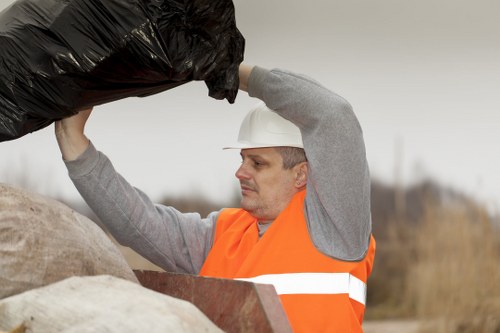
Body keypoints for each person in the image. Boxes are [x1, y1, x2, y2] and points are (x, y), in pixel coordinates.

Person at [55, 63, 376, 332]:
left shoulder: (336, 229)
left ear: (301, 174)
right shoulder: (222, 234)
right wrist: (75, 146)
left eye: (258, 163)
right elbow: (138, 223)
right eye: (242, 160)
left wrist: (229, 67)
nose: (241, 173)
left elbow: (334, 115)